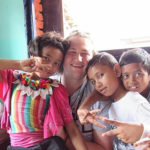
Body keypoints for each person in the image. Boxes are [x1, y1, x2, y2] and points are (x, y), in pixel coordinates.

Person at [0, 31, 88, 150]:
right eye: (46, 58)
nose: (50, 66)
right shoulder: (12, 80)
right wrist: (19, 64)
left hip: (45, 146)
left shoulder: (56, 89)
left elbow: (71, 127)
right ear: (32, 54)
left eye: (56, 63)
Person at [78, 52, 150, 150]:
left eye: (100, 75)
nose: (97, 85)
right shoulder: (112, 106)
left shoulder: (137, 103)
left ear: (116, 70)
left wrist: (142, 132)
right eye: (93, 82)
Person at [59, 30, 113, 150]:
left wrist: (63, 140)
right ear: (61, 55)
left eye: (85, 53)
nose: (78, 59)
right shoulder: (46, 87)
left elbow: (104, 148)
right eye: (72, 52)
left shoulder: (99, 93)